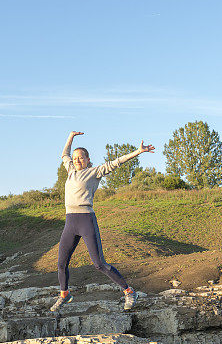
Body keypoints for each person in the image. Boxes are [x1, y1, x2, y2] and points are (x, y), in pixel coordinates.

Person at [51, 130, 155, 312]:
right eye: (75, 158)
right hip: (70, 221)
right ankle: (64, 294)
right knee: (61, 264)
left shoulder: (94, 172)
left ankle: (129, 291)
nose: (76, 160)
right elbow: (64, 154)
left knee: (99, 264)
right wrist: (71, 137)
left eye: (81, 157)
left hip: (85, 219)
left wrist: (138, 152)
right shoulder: (70, 171)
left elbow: (116, 163)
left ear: (88, 159)